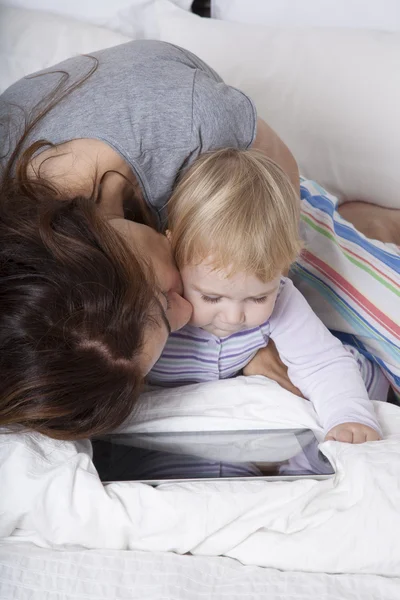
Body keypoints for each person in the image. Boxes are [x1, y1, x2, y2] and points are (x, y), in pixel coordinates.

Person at [0, 40, 397, 441]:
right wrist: (239, 354)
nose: (188, 316)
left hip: (251, 193)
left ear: (104, 248)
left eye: (162, 301)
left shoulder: (190, 122)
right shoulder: (22, 254)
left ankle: (362, 221)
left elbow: (278, 187)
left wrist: (259, 282)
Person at [147, 148, 382, 443]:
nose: (233, 318)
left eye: (258, 298)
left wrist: (349, 416)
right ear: (173, 252)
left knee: (357, 375)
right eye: (211, 297)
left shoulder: (283, 297)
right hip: (181, 434)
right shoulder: (158, 303)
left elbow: (321, 362)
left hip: (249, 427)